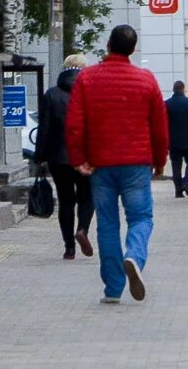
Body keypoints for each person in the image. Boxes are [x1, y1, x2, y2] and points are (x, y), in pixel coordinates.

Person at [66, 23, 168, 303]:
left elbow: (75, 124)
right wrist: (160, 162)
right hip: (137, 164)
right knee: (141, 217)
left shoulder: (87, 79)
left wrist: (78, 159)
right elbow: (159, 127)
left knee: (107, 224)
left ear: (108, 45)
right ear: (133, 49)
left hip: (100, 165)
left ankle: (113, 289)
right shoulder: (146, 80)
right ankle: (134, 256)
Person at [32, 56, 93, 261]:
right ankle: (82, 229)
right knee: (87, 196)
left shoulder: (51, 94)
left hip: (58, 158)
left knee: (66, 201)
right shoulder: (89, 91)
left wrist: (39, 156)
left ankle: (69, 248)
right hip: (85, 157)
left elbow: (44, 128)